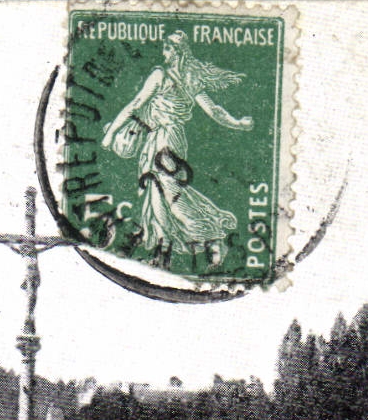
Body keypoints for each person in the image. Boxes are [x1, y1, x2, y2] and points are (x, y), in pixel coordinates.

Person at [100, 30, 253, 268]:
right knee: (158, 190)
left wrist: (110, 134)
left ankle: (209, 234)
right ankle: (164, 247)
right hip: (171, 137)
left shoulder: (159, 75)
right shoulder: (191, 79)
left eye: (168, 49)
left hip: (164, 140)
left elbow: (136, 104)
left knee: (167, 192)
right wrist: (237, 123)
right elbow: (215, 111)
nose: (164, 53)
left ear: (177, 52)